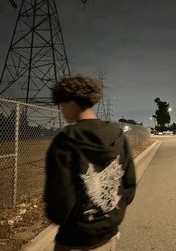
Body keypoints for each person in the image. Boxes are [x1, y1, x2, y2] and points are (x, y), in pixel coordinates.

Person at [44, 75, 136, 251]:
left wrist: (56, 215)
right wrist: (111, 215)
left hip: (75, 240)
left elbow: (60, 201)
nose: (62, 111)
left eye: (62, 106)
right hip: (109, 234)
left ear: (71, 103)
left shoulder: (64, 142)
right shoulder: (117, 134)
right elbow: (129, 185)